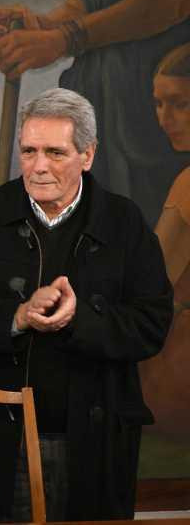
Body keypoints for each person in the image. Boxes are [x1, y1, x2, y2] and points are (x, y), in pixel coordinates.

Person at [0, 88, 172, 520]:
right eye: (29, 151)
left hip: (93, 440)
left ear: (87, 155)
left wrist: (81, 319)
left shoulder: (124, 222)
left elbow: (152, 324)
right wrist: (16, 317)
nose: (38, 167)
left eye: (55, 153)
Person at [0, 0, 190, 227]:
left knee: (147, 233)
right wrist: (42, 28)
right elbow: (82, 7)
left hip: (152, 102)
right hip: (93, 101)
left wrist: (64, 38)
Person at [140, 42, 190, 437]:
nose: (163, 118)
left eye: (179, 104)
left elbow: (149, 286)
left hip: (178, 375)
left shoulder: (188, 184)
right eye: (158, 104)